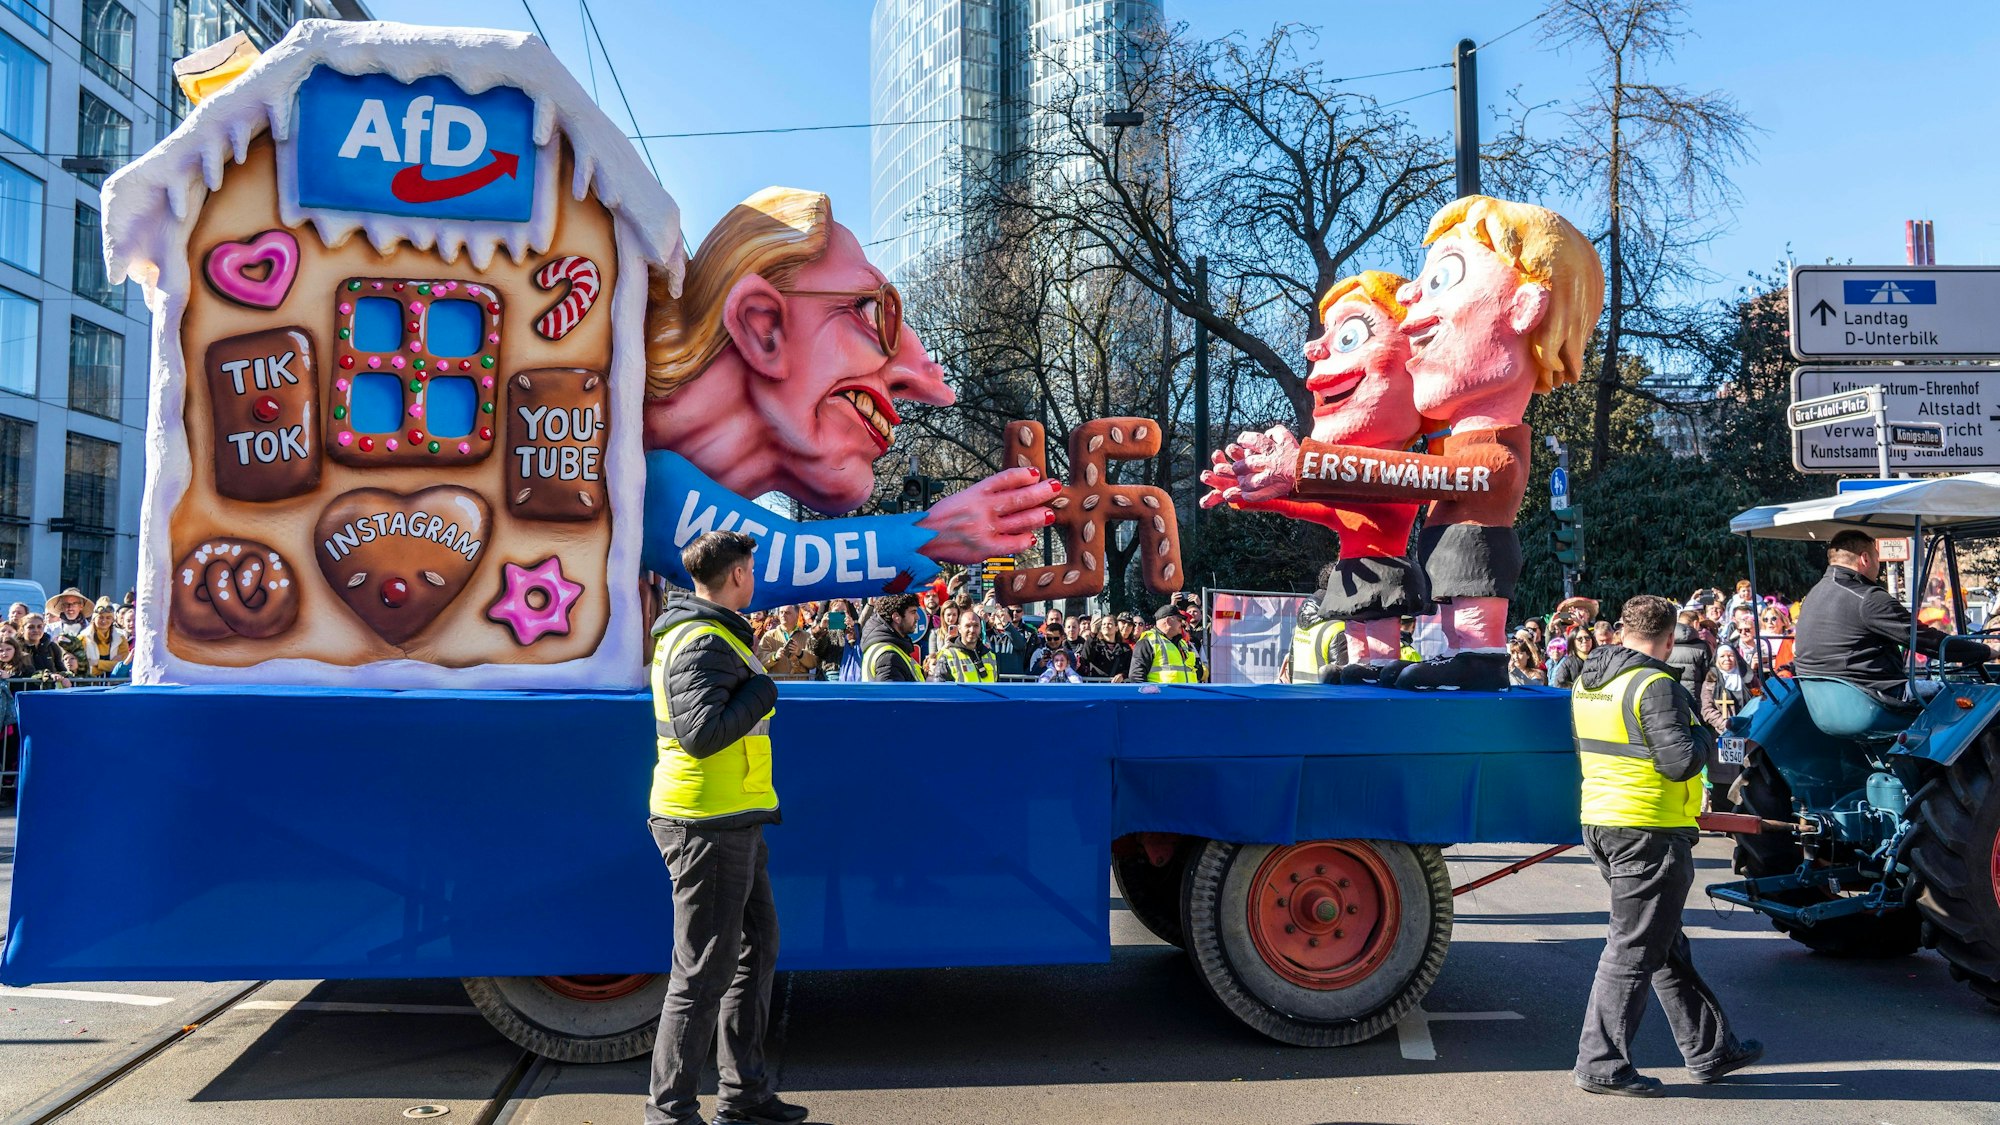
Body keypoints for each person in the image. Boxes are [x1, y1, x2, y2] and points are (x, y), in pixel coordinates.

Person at [640, 187, 1057, 611]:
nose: (930, 388)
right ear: (762, 325)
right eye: (872, 311)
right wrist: (931, 533)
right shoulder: (627, 469)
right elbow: (754, 562)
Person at [644, 530, 807, 1125]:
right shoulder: (701, 641)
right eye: (752, 571)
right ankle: (671, 1113)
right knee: (701, 973)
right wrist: (763, 692)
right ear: (737, 575)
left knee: (756, 948)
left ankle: (744, 1096)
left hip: (731, 816)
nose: (755, 580)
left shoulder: (706, 633)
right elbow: (702, 733)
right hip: (704, 823)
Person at [1570, 595, 1758, 1097]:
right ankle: (1600, 1063)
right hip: (1647, 828)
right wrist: (1702, 732)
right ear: (1670, 640)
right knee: (1633, 948)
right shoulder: (1655, 684)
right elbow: (1678, 762)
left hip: (1605, 820)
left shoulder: (1589, 680)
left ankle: (1711, 1049)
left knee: (1663, 942)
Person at [1793, 530, 1991, 704]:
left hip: (1825, 701)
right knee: (1974, 695)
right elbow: (1929, 642)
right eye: (1877, 558)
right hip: (1875, 697)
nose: (1878, 565)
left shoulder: (1814, 594)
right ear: (1865, 559)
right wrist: (1987, 651)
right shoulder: (1868, 598)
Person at [1129, 603, 1204, 683]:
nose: (1182, 624)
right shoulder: (1147, 641)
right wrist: (1152, 695)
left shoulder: (1182, 643)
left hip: (1188, 694)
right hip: (1162, 695)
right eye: (1179, 620)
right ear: (1168, 621)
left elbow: (1196, 671)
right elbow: (1137, 677)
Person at [859, 593, 924, 682]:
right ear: (896, 617)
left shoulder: (884, 647)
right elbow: (891, 695)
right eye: (913, 612)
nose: (917, 617)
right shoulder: (888, 657)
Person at [1283, 597, 1347, 684]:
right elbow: (1340, 677)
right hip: (1323, 695)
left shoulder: (1300, 626)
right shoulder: (1339, 628)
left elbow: (1291, 665)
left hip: (1297, 693)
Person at [1699, 645, 1753, 735]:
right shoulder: (1711, 681)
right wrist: (1726, 725)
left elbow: (1760, 698)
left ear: (1736, 657)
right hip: (1724, 732)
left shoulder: (1748, 676)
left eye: (1731, 655)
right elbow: (1707, 709)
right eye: (1722, 656)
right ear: (1717, 660)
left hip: (1750, 728)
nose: (1727, 659)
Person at [930, 612, 996, 682]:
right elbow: (940, 689)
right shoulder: (947, 657)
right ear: (959, 628)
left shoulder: (990, 656)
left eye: (976, 625)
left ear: (980, 628)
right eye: (967, 626)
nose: (972, 630)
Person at [1666, 610, 1711, 699]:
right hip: (1694, 697)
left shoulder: (1666, 641)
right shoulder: (1702, 645)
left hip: (1670, 694)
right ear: (1696, 624)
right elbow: (1708, 675)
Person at [79, 597, 128, 677]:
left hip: (114, 684)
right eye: (100, 617)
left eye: (108, 618)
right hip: (89, 684)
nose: (104, 621)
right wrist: (111, 664)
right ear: (94, 619)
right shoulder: (83, 638)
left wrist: (97, 663)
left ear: (113, 620)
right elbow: (83, 666)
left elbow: (123, 665)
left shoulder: (121, 639)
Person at [1076, 617, 1130, 681]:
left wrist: (1123, 675)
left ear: (1116, 628)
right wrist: (1092, 634)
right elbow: (1086, 657)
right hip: (1098, 687)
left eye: (1109, 624)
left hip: (1116, 687)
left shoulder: (1125, 649)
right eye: (1103, 624)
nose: (1106, 626)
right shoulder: (1094, 644)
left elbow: (1130, 668)